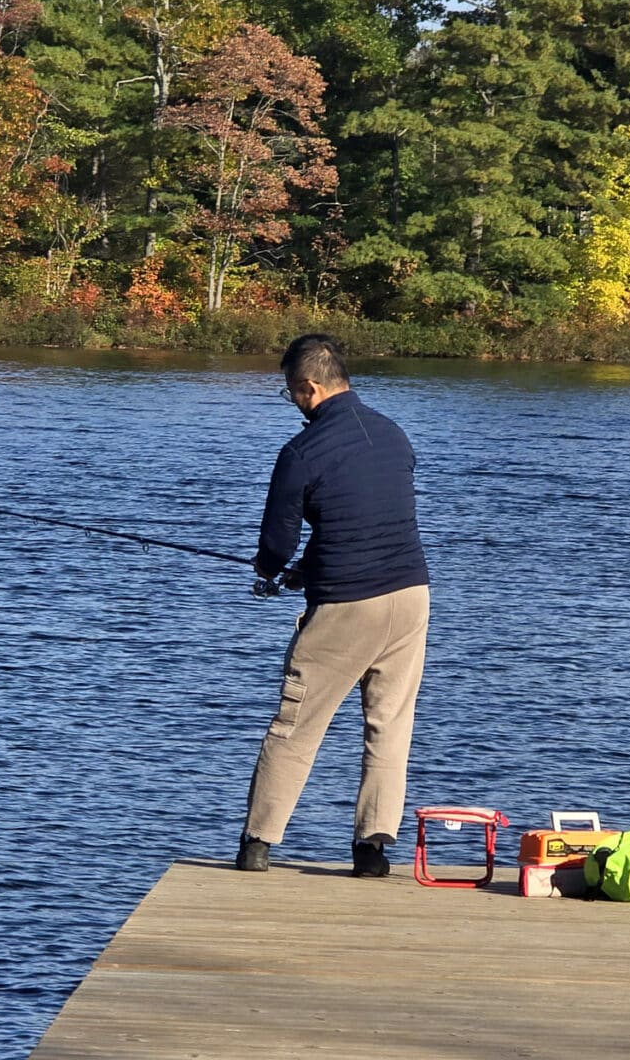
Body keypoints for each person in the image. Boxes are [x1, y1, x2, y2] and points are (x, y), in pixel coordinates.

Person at [236, 333, 429, 878]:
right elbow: (360, 519)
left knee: (296, 726)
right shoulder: (393, 435)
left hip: (347, 608)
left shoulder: (302, 452)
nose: (292, 403)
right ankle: (372, 851)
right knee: (389, 725)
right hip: (411, 598)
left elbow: (276, 543)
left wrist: (272, 570)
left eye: (290, 393)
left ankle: (257, 844)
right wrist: (310, 569)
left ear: (310, 387)